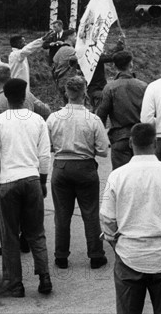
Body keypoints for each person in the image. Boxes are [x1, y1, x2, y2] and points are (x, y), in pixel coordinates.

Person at [100, 123, 161, 314]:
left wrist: (116, 243)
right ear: (155, 143)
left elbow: (107, 219)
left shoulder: (116, 176)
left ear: (131, 143)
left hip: (129, 256)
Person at [0, 65, 51, 256]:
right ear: (10, 78)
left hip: (3, 161)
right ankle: (25, 239)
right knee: (26, 203)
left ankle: (9, 243)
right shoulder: (28, 97)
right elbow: (47, 111)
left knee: (5, 205)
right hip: (28, 157)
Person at [0, 78, 52, 297]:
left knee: (10, 235)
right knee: (36, 233)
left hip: (8, 182)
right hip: (31, 179)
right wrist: (42, 180)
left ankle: (15, 284)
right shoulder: (38, 120)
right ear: (24, 96)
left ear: (5, 96)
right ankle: (44, 277)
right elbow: (44, 156)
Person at [47, 76, 109, 270]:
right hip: (85, 166)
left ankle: (61, 256)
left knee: (62, 214)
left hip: (61, 166)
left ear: (66, 93)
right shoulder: (93, 119)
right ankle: (96, 254)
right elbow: (103, 150)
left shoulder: (54, 118)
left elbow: (47, 145)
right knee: (90, 212)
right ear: (85, 93)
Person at [96, 51, 147, 170]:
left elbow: (101, 114)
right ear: (131, 64)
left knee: (121, 175)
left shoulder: (109, 88)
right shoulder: (143, 86)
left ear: (114, 66)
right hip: (141, 137)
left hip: (119, 137)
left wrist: (99, 139)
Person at [87, 37, 125, 111]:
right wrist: (120, 45)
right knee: (99, 110)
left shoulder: (85, 56)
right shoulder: (95, 57)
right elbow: (111, 57)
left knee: (93, 109)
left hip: (89, 88)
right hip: (98, 87)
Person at [52, 29, 78, 102]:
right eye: (75, 36)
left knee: (66, 104)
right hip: (71, 83)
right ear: (69, 37)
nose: (76, 39)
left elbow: (54, 63)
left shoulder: (59, 50)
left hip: (61, 82)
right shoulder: (71, 50)